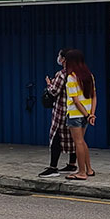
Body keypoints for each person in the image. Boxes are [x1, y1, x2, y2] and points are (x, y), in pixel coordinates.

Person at [39, 49, 78, 177]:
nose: (58, 58)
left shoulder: (62, 75)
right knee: (74, 138)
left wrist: (49, 84)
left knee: (56, 136)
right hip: (74, 110)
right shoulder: (77, 73)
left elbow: (54, 92)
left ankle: (53, 167)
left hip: (61, 111)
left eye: (60, 56)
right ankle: (72, 164)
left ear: (64, 59)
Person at [63, 49, 97, 181]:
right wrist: (91, 114)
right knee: (82, 142)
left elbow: (75, 101)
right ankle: (89, 169)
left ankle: (81, 172)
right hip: (86, 114)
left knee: (78, 143)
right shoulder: (89, 76)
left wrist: (87, 115)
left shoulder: (71, 77)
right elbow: (94, 96)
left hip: (75, 114)